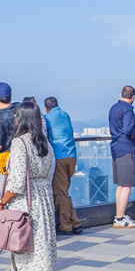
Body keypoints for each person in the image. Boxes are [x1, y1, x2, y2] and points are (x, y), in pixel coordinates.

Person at [0, 101, 62, 271]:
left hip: (25, 210)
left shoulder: (20, 144)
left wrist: (1, 203)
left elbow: (17, 182)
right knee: (27, 260)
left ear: (21, 119)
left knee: (34, 262)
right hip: (43, 206)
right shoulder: (45, 144)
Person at [108, 85, 135, 228]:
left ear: (121, 94)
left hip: (116, 147)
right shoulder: (128, 110)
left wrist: (133, 129)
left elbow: (120, 128)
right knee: (126, 186)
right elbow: (127, 130)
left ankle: (119, 215)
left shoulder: (114, 108)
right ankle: (119, 219)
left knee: (120, 185)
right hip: (126, 148)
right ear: (133, 97)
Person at [44, 97, 82, 236]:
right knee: (64, 191)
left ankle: (66, 226)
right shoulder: (65, 115)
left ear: (46, 108)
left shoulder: (47, 118)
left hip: (59, 157)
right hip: (72, 156)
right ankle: (75, 223)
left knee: (60, 192)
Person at [0, 82, 20, 194]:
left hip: (6, 162)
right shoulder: (20, 109)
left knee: (7, 193)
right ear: (11, 94)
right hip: (25, 158)